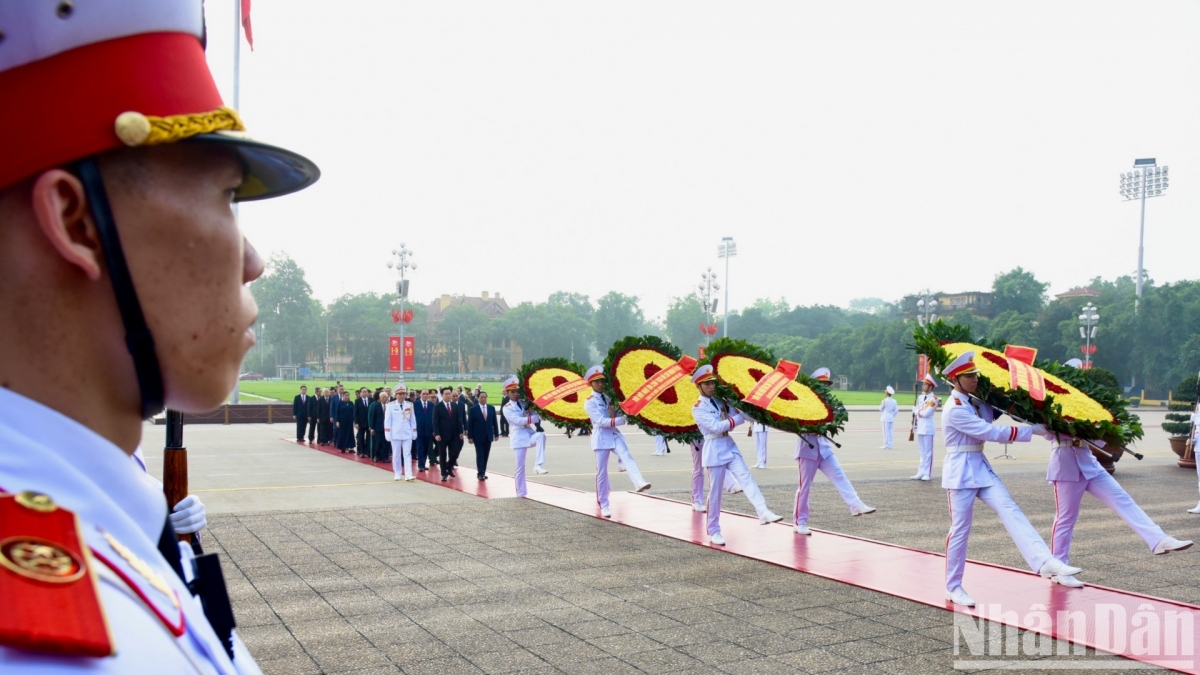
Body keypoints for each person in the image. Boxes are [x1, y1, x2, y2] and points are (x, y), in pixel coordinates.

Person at [0, 2, 320, 669]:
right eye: (227, 196)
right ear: (76, 220)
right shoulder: (61, 647)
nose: (253, 260)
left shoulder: (98, 515)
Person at [939, 351, 1081, 607]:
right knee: (960, 530)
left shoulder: (976, 402)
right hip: (959, 473)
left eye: (975, 375)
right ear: (955, 379)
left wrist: (1021, 400)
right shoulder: (954, 409)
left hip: (980, 468)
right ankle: (953, 586)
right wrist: (1033, 431)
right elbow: (990, 431)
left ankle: (1045, 561)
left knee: (1010, 509)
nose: (974, 379)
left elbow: (999, 412)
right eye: (969, 376)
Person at [690, 366, 782, 545]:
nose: (711, 386)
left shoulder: (720, 401)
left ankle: (763, 511)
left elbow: (739, 414)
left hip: (728, 444)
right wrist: (739, 418)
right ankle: (714, 530)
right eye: (707, 384)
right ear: (699, 386)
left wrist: (752, 410)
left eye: (712, 383)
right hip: (714, 447)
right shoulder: (698, 407)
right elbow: (717, 427)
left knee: (746, 477)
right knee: (716, 493)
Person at [792, 368, 875, 536]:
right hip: (807, 449)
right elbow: (794, 424)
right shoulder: (803, 402)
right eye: (821, 384)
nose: (825, 388)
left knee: (839, 475)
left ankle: (855, 504)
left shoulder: (827, 403)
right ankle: (799, 522)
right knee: (805, 487)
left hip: (824, 448)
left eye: (826, 385)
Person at [583, 366, 652, 518]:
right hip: (601, 436)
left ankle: (639, 481)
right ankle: (604, 504)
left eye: (602, 381)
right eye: (597, 382)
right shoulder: (589, 402)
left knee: (626, 454)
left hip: (614, 434)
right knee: (602, 472)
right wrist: (623, 419)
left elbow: (618, 413)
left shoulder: (609, 398)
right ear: (591, 384)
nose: (600, 384)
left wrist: (629, 412)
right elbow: (601, 421)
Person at [502, 377, 541, 497]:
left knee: (541, 436)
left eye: (517, 391)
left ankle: (538, 464)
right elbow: (518, 420)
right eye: (512, 392)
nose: (515, 394)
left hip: (528, 432)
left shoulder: (524, 403)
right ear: (507, 393)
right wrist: (534, 418)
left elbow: (536, 414)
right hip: (518, 435)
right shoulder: (507, 407)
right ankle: (521, 492)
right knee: (520, 466)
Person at [385, 383, 417, 481]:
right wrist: (388, 433)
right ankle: (397, 473)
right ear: (396, 395)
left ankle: (408, 474)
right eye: (400, 394)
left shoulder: (410, 405)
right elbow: (387, 421)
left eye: (403, 393)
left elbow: (413, 420)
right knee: (396, 454)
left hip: (407, 433)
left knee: (407, 454)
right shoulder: (390, 405)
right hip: (395, 433)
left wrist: (414, 432)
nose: (402, 396)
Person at [911, 374, 939, 481]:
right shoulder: (921, 397)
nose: (923, 386)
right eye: (923, 384)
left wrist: (916, 411)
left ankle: (927, 473)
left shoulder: (934, 399)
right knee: (922, 451)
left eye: (925, 385)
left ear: (930, 387)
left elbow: (926, 413)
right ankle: (921, 471)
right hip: (921, 427)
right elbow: (919, 412)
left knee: (928, 452)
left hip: (928, 427)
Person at [433, 387, 465, 481]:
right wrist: (437, 433)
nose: (448, 395)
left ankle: (449, 466)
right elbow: (435, 421)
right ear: (442, 395)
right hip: (442, 435)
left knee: (455, 452)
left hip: (454, 434)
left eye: (449, 394)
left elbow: (458, 419)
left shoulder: (454, 405)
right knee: (442, 455)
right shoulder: (437, 406)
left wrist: (460, 431)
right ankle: (444, 473)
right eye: (446, 394)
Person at [467, 391, 500, 480]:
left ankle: (483, 472)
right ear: (478, 398)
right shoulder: (473, 409)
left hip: (488, 436)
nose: (483, 399)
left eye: (485, 397)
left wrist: (496, 434)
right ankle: (480, 473)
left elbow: (494, 422)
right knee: (480, 455)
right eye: (481, 397)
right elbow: (470, 424)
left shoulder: (491, 408)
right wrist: (470, 437)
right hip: (477, 436)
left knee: (486, 455)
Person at [414, 388, 435, 471]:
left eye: (427, 394)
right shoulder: (415, 404)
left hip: (428, 430)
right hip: (418, 430)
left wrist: (433, 430)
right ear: (420, 395)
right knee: (420, 447)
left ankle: (424, 463)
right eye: (424, 393)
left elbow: (433, 418)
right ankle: (420, 465)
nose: (425, 395)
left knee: (426, 448)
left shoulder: (431, 405)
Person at [368, 391, 388, 462]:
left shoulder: (389, 407)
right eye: (383, 397)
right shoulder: (376, 406)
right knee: (378, 443)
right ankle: (377, 456)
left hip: (387, 429)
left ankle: (385, 457)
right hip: (378, 428)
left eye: (386, 397)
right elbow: (373, 418)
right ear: (380, 398)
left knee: (386, 443)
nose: (384, 399)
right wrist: (372, 428)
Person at [354, 387, 371, 457]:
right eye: (363, 392)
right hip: (361, 423)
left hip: (369, 423)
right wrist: (356, 422)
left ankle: (368, 451)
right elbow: (355, 412)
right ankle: (361, 451)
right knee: (360, 437)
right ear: (360, 393)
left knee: (369, 438)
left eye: (366, 391)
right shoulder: (357, 401)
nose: (365, 393)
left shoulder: (371, 400)